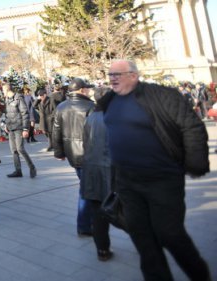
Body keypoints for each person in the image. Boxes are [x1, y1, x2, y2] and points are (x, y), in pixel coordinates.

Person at [100, 60, 211, 281]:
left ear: (134, 75)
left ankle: (200, 275)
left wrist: (195, 163)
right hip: (127, 182)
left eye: (118, 74)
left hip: (162, 179)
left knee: (169, 233)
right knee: (141, 237)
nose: (112, 78)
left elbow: (192, 126)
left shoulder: (161, 95)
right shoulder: (109, 100)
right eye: (110, 74)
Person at [51, 78, 96, 236]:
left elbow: (55, 131)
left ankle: (87, 222)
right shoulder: (91, 106)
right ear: (82, 90)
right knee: (86, 190)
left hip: (72, 153)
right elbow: (95, 133)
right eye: (87, 88)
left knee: (85, 186)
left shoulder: (62, 107)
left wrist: (59, 153)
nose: (89, 91)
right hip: (88, 155)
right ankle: (84, 225)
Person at [81, 86, 114, 261]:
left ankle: (102, 249)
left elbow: (86, 144)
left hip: (92, 170)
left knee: (98, 213)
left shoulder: (91, 117)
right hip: (111, 171)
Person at [3, 83, 36, 178]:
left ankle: (32, 167)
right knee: (13, 150)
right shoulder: (7, 100)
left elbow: (25, 113)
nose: (2, 92)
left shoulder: (18, 98)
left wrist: (26, 129)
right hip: (11, 128)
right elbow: (8, 114)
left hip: (19, 127)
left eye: (3, 90)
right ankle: (18, 171)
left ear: (7, 90)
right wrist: (6, 124)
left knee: (20, 149)